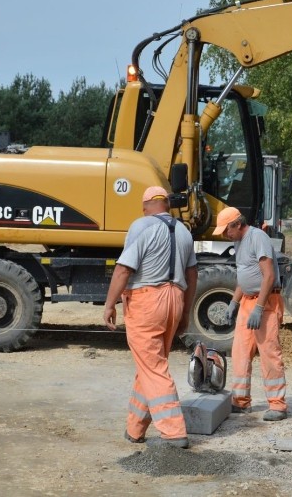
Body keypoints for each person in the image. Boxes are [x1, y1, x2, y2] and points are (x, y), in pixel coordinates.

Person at [103, 185, 198, 449]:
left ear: (145, 206)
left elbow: (123, 269)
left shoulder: (141, 226)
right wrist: (185, 314)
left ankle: (174, 431)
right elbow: (192, 275)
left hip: (147, 301)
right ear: (167, 205)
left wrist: (109, 304)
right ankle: (135, 429)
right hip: (175, 298)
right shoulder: (184, 231)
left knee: (153, 368)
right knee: (150, 365)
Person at [213, 206, 288, 421]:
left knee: (269, 354)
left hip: (266, 302)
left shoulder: (258, 237)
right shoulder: (239, 242)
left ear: (237, 224)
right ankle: (241, 401)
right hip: (247, 301)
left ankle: (278, 405)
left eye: (227, 230)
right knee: (240, 352)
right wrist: (234, 302)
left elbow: (269, 276)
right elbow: (244, 274)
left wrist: (259, 307)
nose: (226, 235)